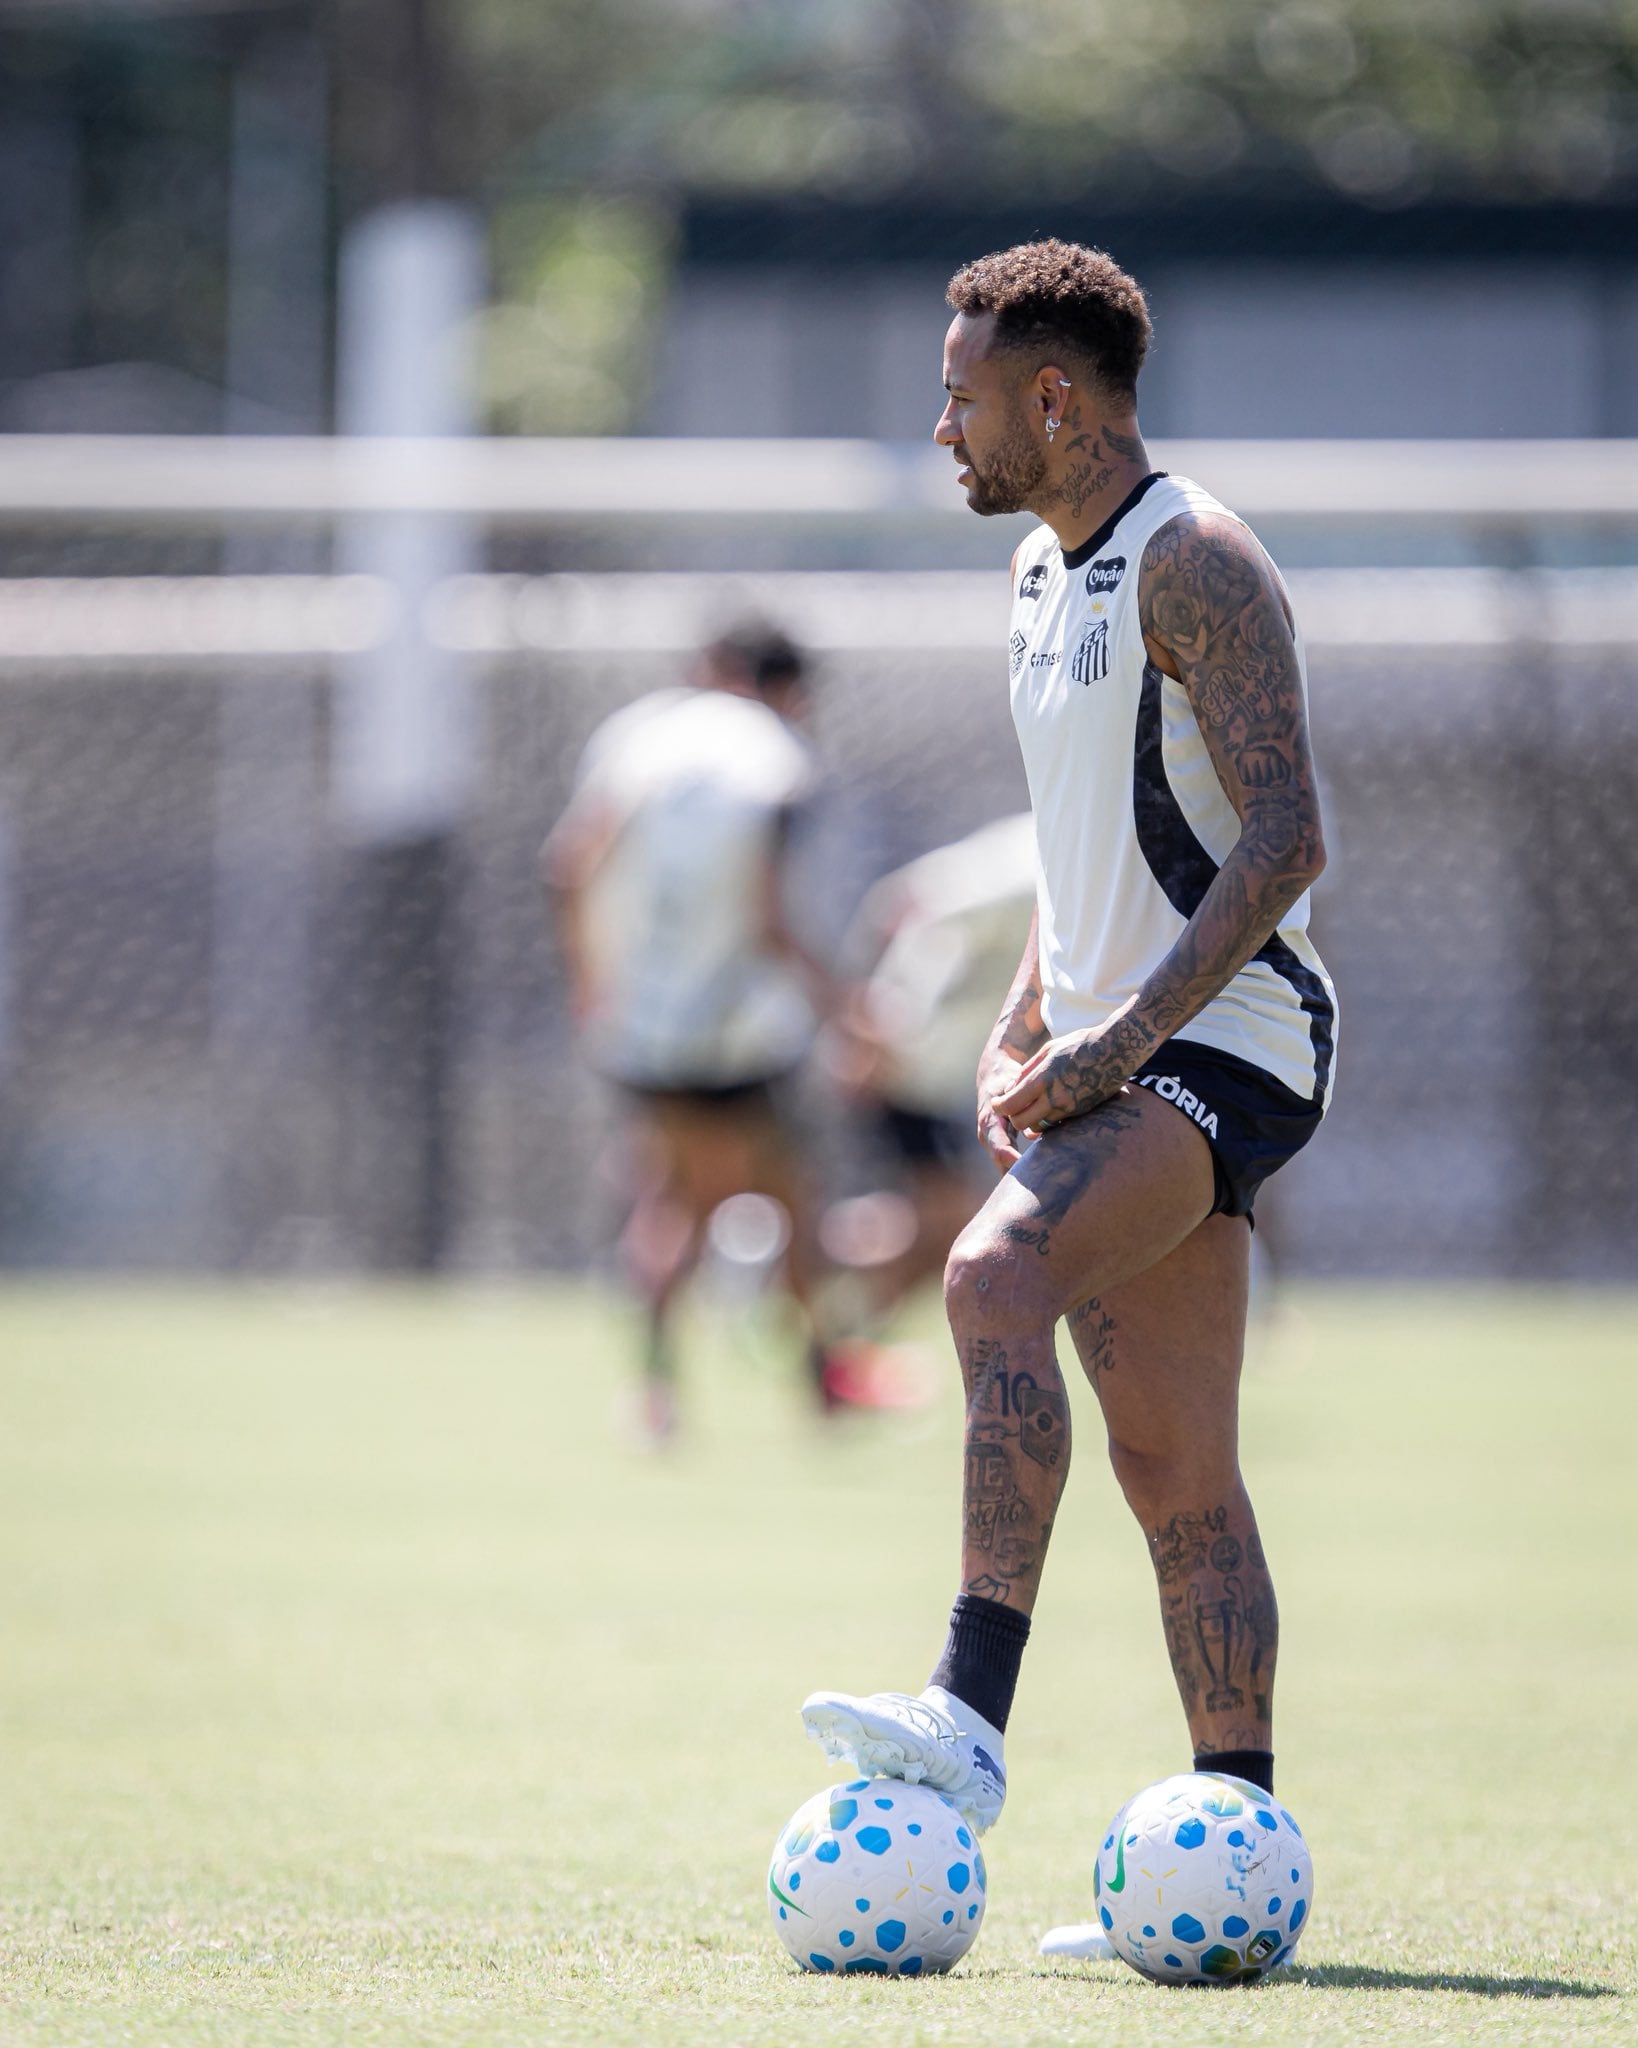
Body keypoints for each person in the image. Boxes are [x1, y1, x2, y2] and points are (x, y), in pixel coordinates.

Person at [799, 241, 1338, 1868]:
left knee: (987, 1278)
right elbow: (1076, 844)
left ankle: (963, 1713)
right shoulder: (1038, 574)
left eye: (959, 396)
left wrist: (1116, 1037)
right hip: (1121, 1048)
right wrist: (1024, 1015)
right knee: (1172, 1460)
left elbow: (1287, 840)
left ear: (1052, 397)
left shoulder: (1196, 559)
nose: (940, 427)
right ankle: (1237, 1843)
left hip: (1230, 1038)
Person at [544, 621, 850, 1440]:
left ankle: (654, 1392)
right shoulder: (772, 754)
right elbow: (767, 913)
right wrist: (836, 998)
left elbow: (569, 863)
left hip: (643, 1028)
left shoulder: (637, 734)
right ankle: (821, 1381)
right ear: (787, 691)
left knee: (669, 1199)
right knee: (790, 1199)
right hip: (738, 1024)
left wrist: (590, 981)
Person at [822, 812, 1038, 1327]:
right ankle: (803, 1252)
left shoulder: (1043, 848)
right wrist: (891, 1024)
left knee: (950, 1223)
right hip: (913, 1071)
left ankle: (842, 1316)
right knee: (955, 1222)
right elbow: (920, 905)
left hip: (930, 1070)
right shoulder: (1034, 868)